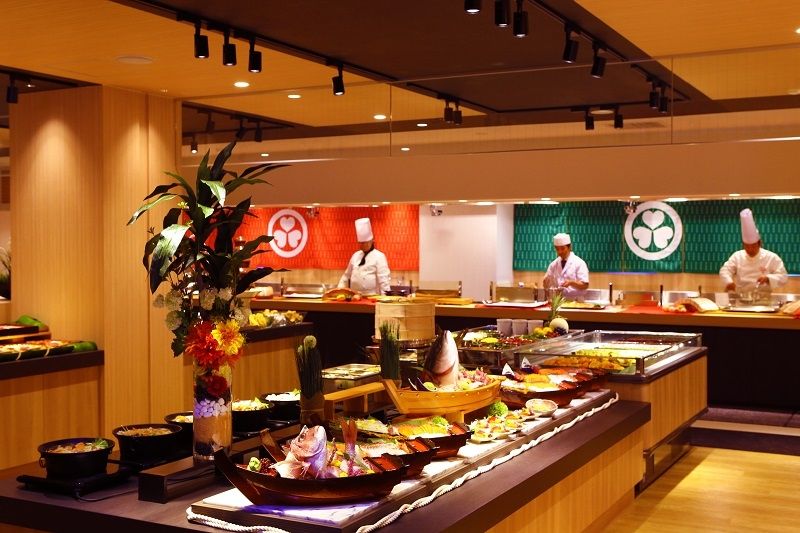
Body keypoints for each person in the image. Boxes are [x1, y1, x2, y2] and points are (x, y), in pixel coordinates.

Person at [719, 208, 788, 293]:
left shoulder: (771, 257)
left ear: (759, 244)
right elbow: (725, 270)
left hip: (764, 298)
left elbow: (783, 277)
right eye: (747, 246)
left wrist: (768, 278)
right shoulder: (737, 256)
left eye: (753, 246)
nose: (750, 249)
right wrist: (729, 282)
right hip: (742, 296)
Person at [338, 217, 391, 295]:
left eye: (364, 243)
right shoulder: (355, 256)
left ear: (372, 241)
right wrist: (339, 290)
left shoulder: (379, 256)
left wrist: (386, 297)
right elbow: (346, 276)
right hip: (355, 295)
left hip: (372, 296)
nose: (362, 245)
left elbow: (384, 280)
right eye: (360, 243)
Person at [542, 233, 589, 300]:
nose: (560, 252)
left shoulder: (579, 263)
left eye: (562, 248)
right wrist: (545, 283)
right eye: (557, 249)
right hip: (558, 301)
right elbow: (547, 284)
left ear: (569, 247)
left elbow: (585, 285)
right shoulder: (553, 265)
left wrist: (571, 282)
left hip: (576, 301)